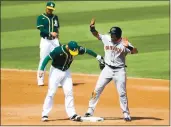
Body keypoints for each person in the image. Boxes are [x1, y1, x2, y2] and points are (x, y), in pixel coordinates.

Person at [84, 18, 138, 122]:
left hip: (119, 71)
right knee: (97, 89)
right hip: (107, 69)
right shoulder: (106, 38)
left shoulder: (124, 43)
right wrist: (92, 28)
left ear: (117, 35)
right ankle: (90, 110)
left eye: (113, 35)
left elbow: (135, 51)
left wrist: (130, 48)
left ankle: (126, 113)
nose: (111, 36)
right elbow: (97, 35)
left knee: (122, 93)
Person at [39, 41, 104, 122]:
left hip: (66, 72)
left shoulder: (77, 49)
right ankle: (45, 114)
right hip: (55, 72)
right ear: (67, 47)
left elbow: (87, 51)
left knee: (69, 92)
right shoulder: (58, 50)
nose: (74, 53)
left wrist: (97, 56)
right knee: (51, 92)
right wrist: (42, 69)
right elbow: (47, 58)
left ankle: (72, 114)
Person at [36, 1, 61, 86]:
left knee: (58, 59)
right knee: (43, 59)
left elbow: (57, 29)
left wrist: (58, 39)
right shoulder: (41, 17)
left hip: (55, 41)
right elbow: (41, 29)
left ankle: (56, 80)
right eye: (49, 9)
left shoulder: (55, 17)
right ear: (46, 8)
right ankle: (40, 79)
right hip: (45, 41)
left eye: (51, 9)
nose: (50, 10)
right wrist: (50, 33)